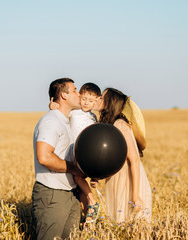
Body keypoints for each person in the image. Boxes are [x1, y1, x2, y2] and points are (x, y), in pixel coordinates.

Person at [32, 78, 84, 240]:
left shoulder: (65, 121)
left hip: (70, 194)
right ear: (63, 95)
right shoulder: (51, 121)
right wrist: (74, 169)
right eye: (75, 90)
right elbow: (44, 156)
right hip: (53, 195)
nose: (79, 94)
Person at [94, 88, 152, 223]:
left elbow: (135, 160)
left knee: (130, 225)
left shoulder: (120, 125)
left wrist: (135, 196)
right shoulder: (110, 125)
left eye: (101, 97)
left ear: (110, 103)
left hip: (128, 183)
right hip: (117, 180)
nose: (97, 99)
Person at [49, 82, 102, 223]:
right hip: (73, 151)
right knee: (78, 181)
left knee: (79, 179)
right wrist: (52, 106)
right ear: (80, 97)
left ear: (96, 101)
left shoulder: (93, 118)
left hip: (84, 153)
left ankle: (91, 202)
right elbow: (60, 109)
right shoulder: (74, 112)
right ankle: (89, 211)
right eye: (84, 99)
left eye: (90, 101)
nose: (86, 103)